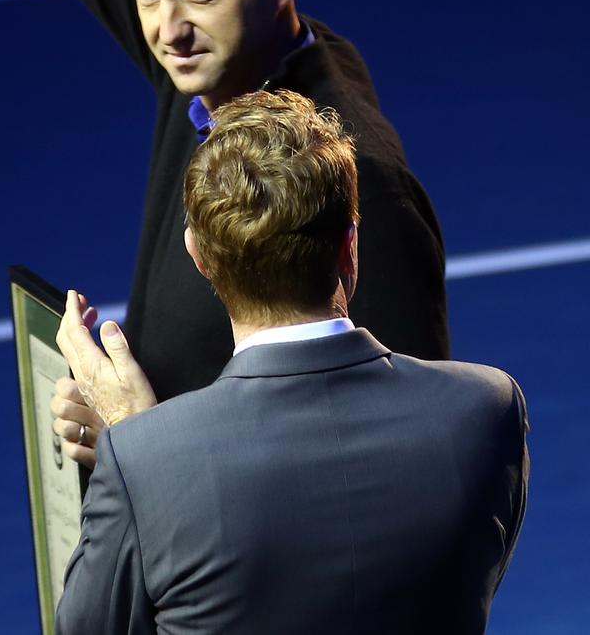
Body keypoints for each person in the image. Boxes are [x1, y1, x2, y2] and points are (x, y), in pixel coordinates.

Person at [0, 0, 449, 466]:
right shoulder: (217, 60)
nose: (167, 31)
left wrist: (143, 442)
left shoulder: (360, 185)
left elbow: (411, 454)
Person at [53, 90, 528, 634]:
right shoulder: (487, 407)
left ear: (199, 257)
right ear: (349, 245)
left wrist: (136, 435)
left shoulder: (140, 458)